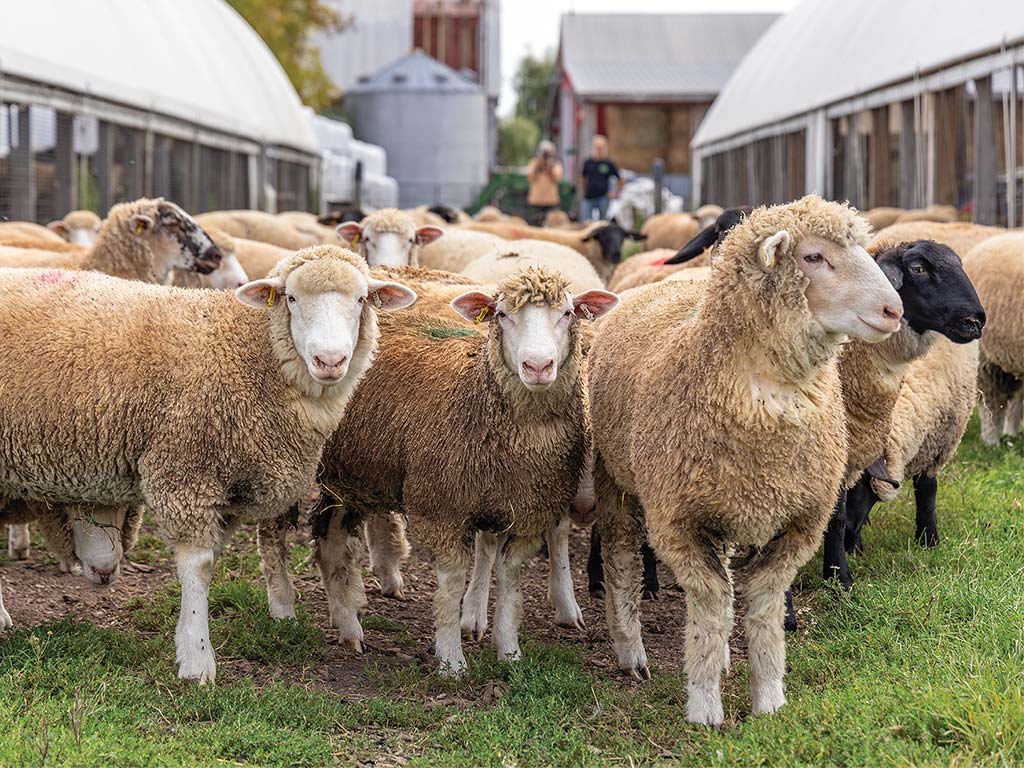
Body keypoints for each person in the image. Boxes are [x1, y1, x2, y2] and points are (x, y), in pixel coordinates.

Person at [579, 135, 623, 221]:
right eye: (597, 147)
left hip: (603, 197)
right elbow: (582, 178)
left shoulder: (609, 163)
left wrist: (616, 193)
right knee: (586, 221)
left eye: (601, 147)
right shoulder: (588, 162)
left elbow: (620, 179)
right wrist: (583, 191)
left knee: (603, 222)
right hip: (589, 197)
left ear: (605, 148)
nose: (599, 150)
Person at [526, 140, 563, 225]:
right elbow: (531, 177)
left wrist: (549, 166)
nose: (546, 156)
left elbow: (557, 178)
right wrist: (539, 164)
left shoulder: (556, 164)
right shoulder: (534, 163)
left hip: (551, 202)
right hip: (536, 202)